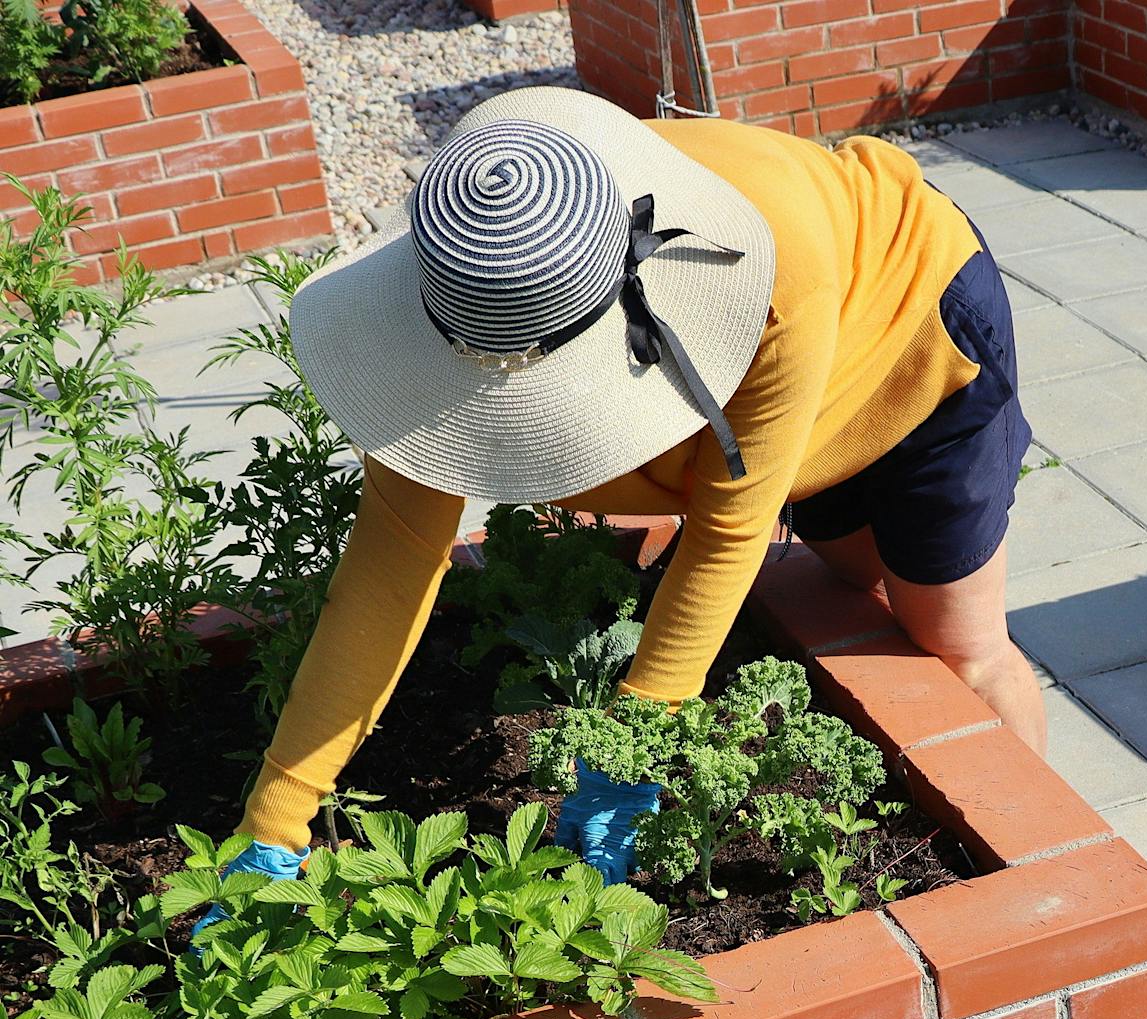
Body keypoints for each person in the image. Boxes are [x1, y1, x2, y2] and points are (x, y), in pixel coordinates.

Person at [225, 84, 1041, 890]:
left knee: (956, 647)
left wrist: (625, 761)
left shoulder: (772, 275)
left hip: (907, 320)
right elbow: (388, 565)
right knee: (856, 581)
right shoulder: (477, 278)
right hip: (791, 412)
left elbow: (729, 531)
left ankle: (1038, 875)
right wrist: (274, 817)